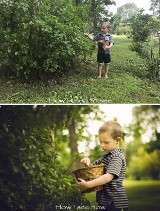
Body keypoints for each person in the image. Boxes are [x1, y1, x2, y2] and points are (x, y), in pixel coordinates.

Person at [77, 121, 128, 211]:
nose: (102, 145)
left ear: (117, 140)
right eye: (100, 142)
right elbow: (94, 168)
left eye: (106, 142)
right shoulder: (106, 156)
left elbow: (108, 177)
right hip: (105, 200)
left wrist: (88, 185)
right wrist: (87, 163)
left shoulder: (116, 157)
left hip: (114, 202)